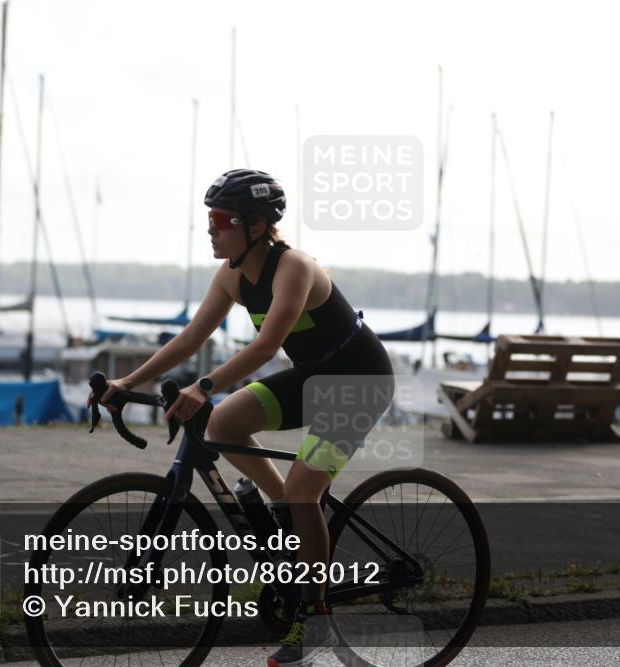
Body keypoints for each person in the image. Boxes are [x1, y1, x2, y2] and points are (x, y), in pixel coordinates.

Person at [92, 169, 394, 667]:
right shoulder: (232, 274)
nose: (211, 230)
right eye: (208, 219)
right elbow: (189, 339)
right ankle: (288, 514)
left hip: (359, 382)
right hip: (314, 375)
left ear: (256, 224)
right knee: (224, 424)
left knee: (304, 491)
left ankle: (314, 619)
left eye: (220, 220)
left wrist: (204, 385)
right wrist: (129, 382)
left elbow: (267, 345)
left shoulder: (292, 267)